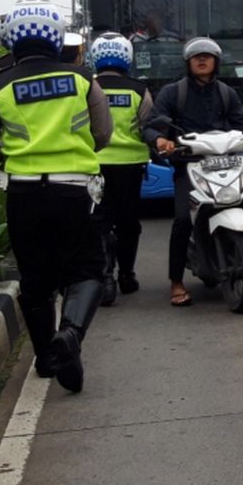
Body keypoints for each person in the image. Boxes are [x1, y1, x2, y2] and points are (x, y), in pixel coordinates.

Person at [0, 0, 112, 394]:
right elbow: (103, 134)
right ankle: (69, 335)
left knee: (35, 279)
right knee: (86, 270)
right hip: (75, 191)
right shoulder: (83, 79)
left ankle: (48, 358)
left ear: (10, 39)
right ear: (55, 36)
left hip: (23, 193)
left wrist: (18, 154)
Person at [146, 37, 243, 306]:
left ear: (216, 62)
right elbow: (151, 125)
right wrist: (160, 139)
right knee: (182, 219)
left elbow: (241, 121)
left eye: (207, 56)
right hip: (190, 164)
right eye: (196, 57)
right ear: (188, 62)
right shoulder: (173, 93)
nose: (202, 60)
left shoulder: (227, 93)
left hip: (225, 160)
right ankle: (176, 282)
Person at [88, 32, 153, 304]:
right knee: (128, 223)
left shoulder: (87, 87)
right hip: (130, 167)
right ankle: (127, 274)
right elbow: (147, 124)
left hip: (95, 166)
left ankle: (105, 278)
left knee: (100, 221)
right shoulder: (138, 90)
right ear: (127, 57)